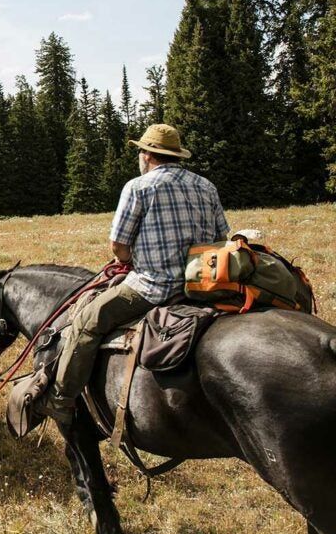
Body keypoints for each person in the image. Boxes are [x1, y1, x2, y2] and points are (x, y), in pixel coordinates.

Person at [40, 123, 230, 425]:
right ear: (175, 155)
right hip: (204, 285)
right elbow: (223, 238)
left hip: (154, 287)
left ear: (147, 155)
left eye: (141, 152)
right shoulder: (206, 186)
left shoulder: (139, 187)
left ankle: (61, 399)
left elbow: (118, 245)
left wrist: (129, 259)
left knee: (88, 321)